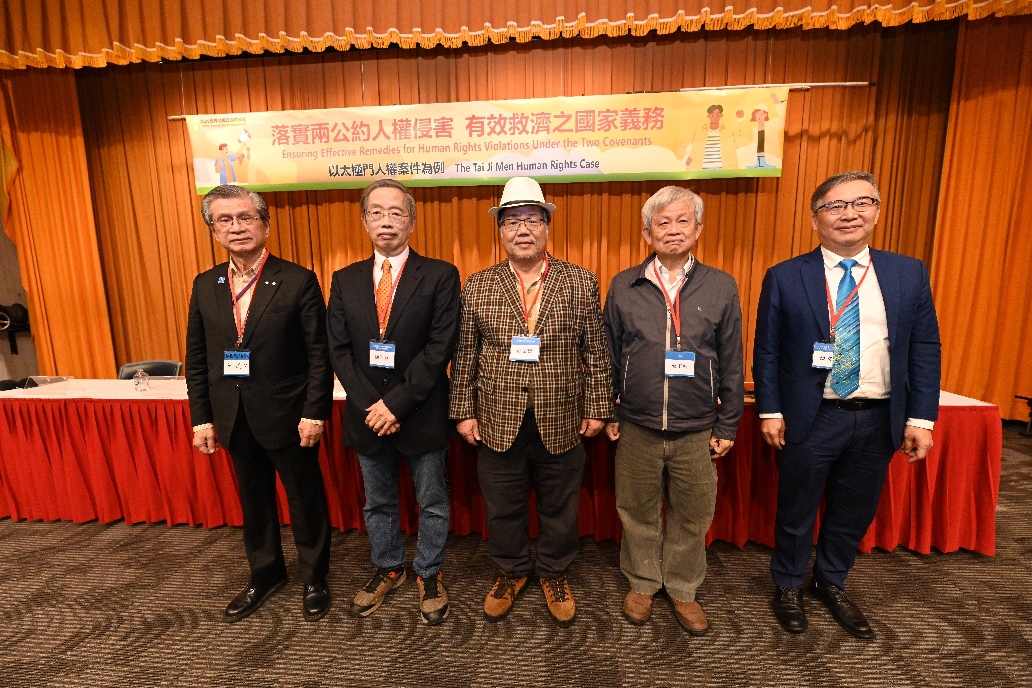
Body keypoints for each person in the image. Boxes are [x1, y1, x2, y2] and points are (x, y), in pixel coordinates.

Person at [753, 171, 941, 639]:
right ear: (816, 218)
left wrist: (921, 417)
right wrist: (770, 410)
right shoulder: (785, 276)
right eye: (835, 205)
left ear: (876, 211)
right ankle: (789, 585)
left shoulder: (908, 273)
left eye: (861, 202)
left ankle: (831, 582)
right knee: (796, 509)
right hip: (812, 416)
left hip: (878, 417)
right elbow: (767, 351)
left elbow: (924, 347)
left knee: (853, 511)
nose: (849, 214)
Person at [449, 176, 613, 628]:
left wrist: (598, 407)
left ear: (546, 227)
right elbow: (466, 354)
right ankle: (511, 570)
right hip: (496, 417)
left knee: (560, 505)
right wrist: (463, 411)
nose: (523, 229)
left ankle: (555, 572)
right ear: (500, 230)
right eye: (512, 221)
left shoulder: (580, 281)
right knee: (503, 504)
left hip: (563, 416)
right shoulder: (478, 285)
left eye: (532, 220)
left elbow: (596, 351)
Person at [185, 184, 333, 623]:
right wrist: (201, 419)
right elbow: (197, 357)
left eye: (245, 217)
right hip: (233, 415)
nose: (236, 227)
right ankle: (266, 573)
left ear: (265, 225)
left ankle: (314, 577)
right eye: (225, 220)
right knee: (254, 501)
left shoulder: (298, 279)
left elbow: (319, 355)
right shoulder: (205, 284)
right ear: (214, 231)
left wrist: (314, 412)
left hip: (289, 414)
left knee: (304, 499)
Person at [603, 186, 745, 636]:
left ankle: (683, 586)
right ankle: (643, 582)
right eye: (662, 223)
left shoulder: (720, 285)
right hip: (637, 424)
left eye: (682, 221)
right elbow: (609, 356)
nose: (673, 230)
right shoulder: (624, 285)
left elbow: (732, 359)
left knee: (692, 514)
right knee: (636, 510)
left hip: (697, 427)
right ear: (647, 233)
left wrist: (728, 423)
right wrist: (609, 412)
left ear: (698, 229)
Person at [327, 179, 460, 626]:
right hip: (368, 415)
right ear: (365, 220)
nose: (387, 220)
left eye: (396, 212)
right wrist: (374, 406)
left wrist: (396, 404)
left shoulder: (440, 275)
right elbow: (338, 350)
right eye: (377, 212)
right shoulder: (344, 279)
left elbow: (439, 348)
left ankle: (429, 572)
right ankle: (388, 567)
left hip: (420, 412)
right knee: (378, 501)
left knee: (432, 500)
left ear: (412, 221)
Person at [684, 105, 750, 171]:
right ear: (708, 116)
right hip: (700, 168)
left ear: (721, 115)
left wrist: (742, 119)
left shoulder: (730, 130)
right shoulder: (698, 131)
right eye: (712, 115)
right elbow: (682, 145)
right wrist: (684, 158)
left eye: (717, 115)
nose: (715, 117)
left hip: (725, 168)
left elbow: (745, 141)